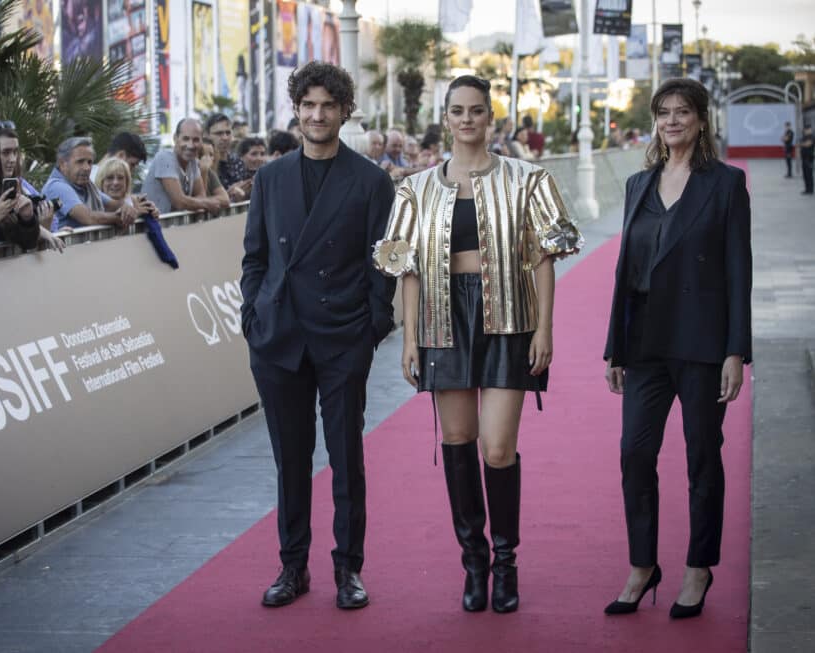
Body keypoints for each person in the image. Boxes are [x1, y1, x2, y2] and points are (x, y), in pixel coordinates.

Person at [373, 75, 581, 614]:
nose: (467, 119)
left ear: (491, 117)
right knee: (458, 443)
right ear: (446, 118)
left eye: (477, 110)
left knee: (497, 448)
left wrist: (546, 328)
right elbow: (407, 268)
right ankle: (473, 561)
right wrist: (410, 337)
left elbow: (545, 257)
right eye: (458, 111)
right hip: (444, 320)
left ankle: (506, 563)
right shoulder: (415, 187)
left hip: (509, 319)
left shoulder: (527, 178)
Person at [241, 61, 396, 611]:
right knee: (291, 459)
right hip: (279, 335)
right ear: (297, 110)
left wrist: (372, 328)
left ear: (344, 111)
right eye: (308, 105)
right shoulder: (270, 177)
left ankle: (348, 570)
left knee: (346, 457)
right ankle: (292, 566)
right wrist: (252, 318)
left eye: (327, 105)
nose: (317, 114)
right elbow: (255, 257)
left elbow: (385, 263)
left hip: (341, 337)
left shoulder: (372, 180)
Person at [603, 78, 751, 619]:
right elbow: (626, 270)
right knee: (634, 453)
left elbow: (739, 269)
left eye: (682, 112)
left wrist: (736, 350)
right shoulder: (637, 184)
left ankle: (698, 566)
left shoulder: (726, 184)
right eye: (663, 112)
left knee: (701, 456)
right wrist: (615, 346)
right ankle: (643, 564)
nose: (672, 121)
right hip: (643, 342)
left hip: (702, 342)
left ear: (701, 120)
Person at [0, 124, 65, 252]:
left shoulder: (21, 183)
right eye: (5, 153)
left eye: (15, 152)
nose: (12, 159)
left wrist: (55, 232)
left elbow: (50, 217)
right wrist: (40, 229)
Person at [42, 136, 139, 231]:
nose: (87, 168)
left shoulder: (86, 186)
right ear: (63, 164)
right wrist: (122, 217)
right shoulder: (56, 186)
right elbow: (88, 218)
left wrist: (130, 206)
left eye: (89, 162)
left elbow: (113, 204)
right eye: (80, 162)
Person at [142, 119, 225, 215]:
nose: (190, 145)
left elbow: (201, 196)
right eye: (185, 139)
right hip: (152, 228)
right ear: (175, 138)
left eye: (196, 140)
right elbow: (179, 202)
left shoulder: (193, 162)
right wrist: (206, 203)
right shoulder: (164, 157)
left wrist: (200, 202)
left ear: (202, 141)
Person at [205, 113, 252, 201]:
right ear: (206, 135)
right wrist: (227, 194)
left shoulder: (238, 162)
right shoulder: (201, 163)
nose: (225, 137)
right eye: (219, 133)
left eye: (228, 133)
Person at [197, 138, 232, 204]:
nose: (206, 158)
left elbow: (225, 199)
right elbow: (200, 200)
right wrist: (203, 172)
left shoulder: (211, 173)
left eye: (211, 155)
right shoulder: (190, 172)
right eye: (201, 155)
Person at [799, 126, 813, 195]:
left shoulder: (811, 137)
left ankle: (810, 189)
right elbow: (800, 143)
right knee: (805, 175)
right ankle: (807, 189)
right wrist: (802, 144)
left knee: (809, 175)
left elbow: (808, 144)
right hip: (804, 158)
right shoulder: (804, 137)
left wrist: (802, 144)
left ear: (810, 130)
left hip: (809, 158)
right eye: (805, 130)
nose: (806, 131)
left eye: (807, 130)